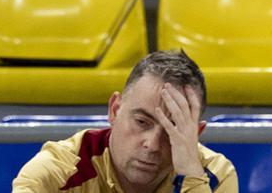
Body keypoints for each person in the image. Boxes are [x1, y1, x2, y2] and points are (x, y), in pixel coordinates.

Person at [13, 50, 237, 192]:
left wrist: (191, 174)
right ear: (115, 109)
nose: (152, 144)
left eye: (173, 130)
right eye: (142, 122)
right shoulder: (56, 172)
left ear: (196, 134)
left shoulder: (215, 174)